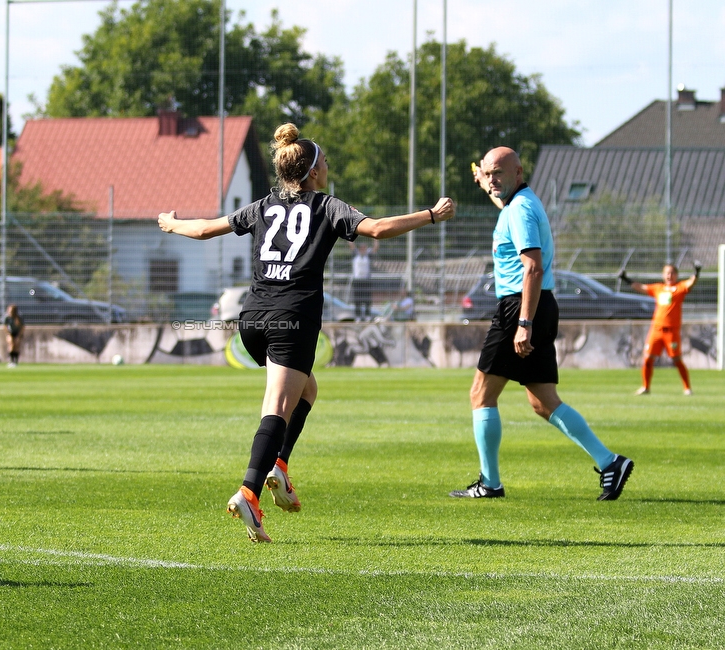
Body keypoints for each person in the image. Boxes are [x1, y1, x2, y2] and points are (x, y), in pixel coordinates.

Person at [159, 123, 455, 542]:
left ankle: (279, 467)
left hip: (253, 319)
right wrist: (430, 215)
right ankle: (249, 490)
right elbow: (377, 229)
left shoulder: (262, 205)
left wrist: (172, 224)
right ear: (314, 171)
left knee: (306, 391)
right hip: (291, 317)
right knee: (277, 407)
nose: (329, 168)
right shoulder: (326, 205)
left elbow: (206, 229)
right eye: (327, 163)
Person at [451, 146, 633, 501]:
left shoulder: (519, 210)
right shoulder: (521, 202)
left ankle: (490, 483)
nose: (492, 180)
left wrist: (523, 322)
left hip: (520, 306)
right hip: (540, 304)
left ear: (518, 172)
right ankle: (610, 463)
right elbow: (506, 206)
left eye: (499, 173)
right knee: (543, 401)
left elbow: (531, 266)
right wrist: (486, 186)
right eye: (487, 174)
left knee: (481, 394)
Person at [621, 263, 700, 396]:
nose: (669, 276)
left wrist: (697, 272)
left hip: (671, 331)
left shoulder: (679, 288)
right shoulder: (658, 288)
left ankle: (687, 388)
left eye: (672, 273)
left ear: (676, 275)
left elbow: (690, 283)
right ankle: (645, 387)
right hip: (656, 330)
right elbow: (642, 288)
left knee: (677, 360)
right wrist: (626, 279)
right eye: (667, 273)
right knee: (647, 359)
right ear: (663, 275)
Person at [349, 240, 379, 321]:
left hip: (366, 280)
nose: (363, 249)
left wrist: (375, 239)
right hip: (357, 280)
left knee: (367, 300)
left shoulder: (368, 255)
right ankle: (358, 316)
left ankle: (367, 316)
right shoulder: (355, 254)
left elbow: (375, 248)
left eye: (364, 248)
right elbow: (351, 244)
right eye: (361, 248)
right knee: (357, 300)